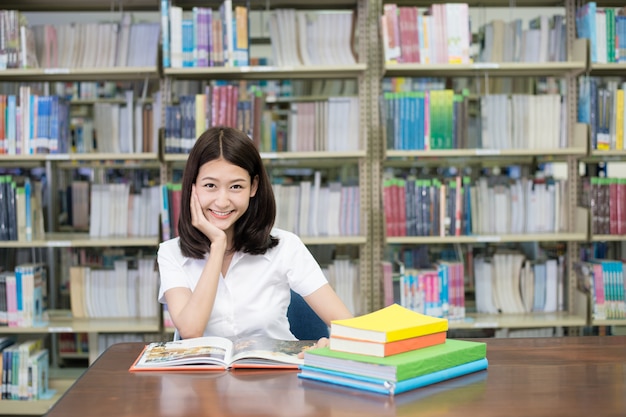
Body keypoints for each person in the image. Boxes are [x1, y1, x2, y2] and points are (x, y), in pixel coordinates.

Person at [157, 126, 353, 346]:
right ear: (193, 187)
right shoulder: (171, 253)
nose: (222, 201)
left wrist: (328, 348)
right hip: (208, 379)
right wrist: (218, 245)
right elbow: (191, 330)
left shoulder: (286, 246)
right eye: (210, 185)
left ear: (253, 187)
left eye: (236, 186)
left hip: (277, 375)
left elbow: (347, 326)